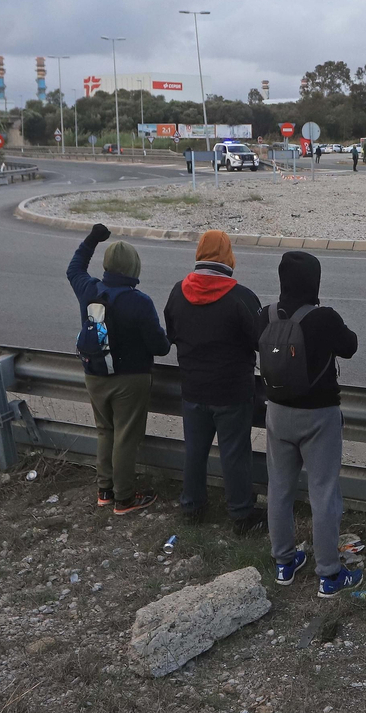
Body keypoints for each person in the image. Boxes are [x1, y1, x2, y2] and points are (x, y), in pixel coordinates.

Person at [257, 251, 363, 596]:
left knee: (280, 490)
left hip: (277, 412)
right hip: (319, 417)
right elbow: (350, 347)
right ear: (314, 281)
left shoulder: (265, 315)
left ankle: (284, 564)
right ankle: (329, 575)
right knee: (323, 493)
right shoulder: (324, 318)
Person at [164, 230, 267, 533]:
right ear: (226, 256)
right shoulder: (241, 297)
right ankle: (241, 515)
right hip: (232, 391)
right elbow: (261, 341)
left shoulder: (177, 292)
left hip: (193, 388)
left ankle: (192, 506)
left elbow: (170, 333)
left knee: (194, 451)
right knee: (235, 454)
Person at [68, 224, 171, 514]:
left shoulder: (89, 289)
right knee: (125, 436)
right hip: (130, 380)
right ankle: (125, 498)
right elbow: (159, 346)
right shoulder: (139, 302)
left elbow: (73, 268)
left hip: (95, 376)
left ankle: (105, 491)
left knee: (105, 431)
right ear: (134, 267)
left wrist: (91, 239)